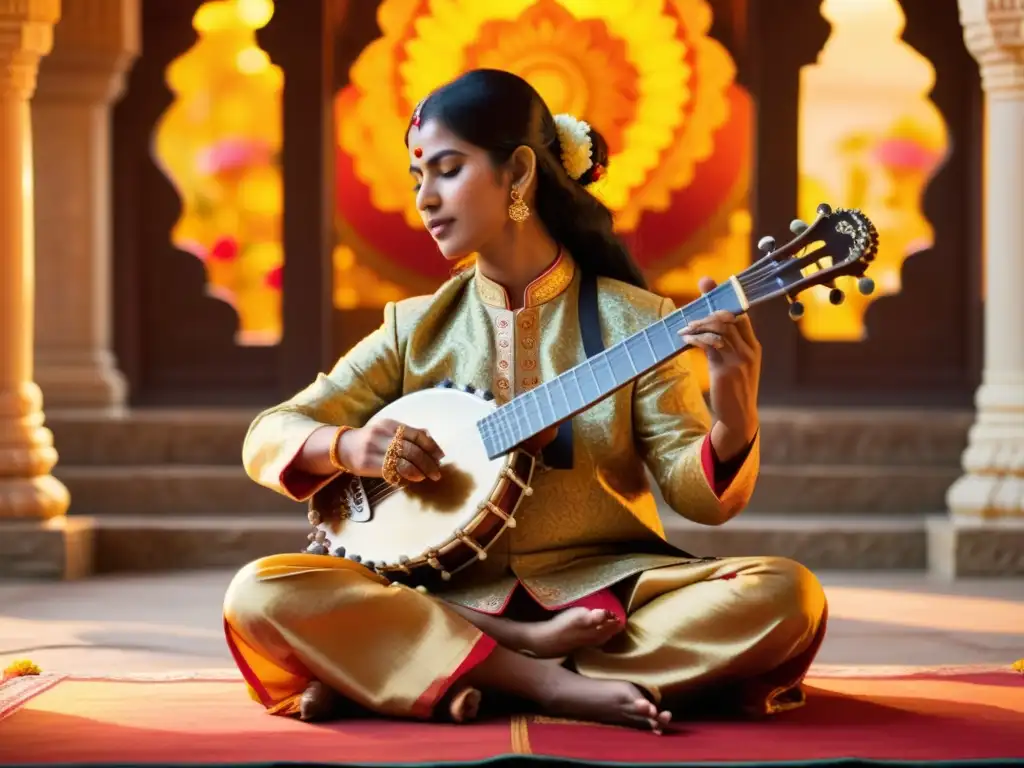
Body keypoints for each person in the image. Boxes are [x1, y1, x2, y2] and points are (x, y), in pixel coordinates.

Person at [223, 68, 828, 733]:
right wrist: (347, 445)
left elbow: (701, 501)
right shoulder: (414, 328)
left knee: (785, 595)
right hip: (442, 593)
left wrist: (735, 408)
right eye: (417, 177)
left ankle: (424, 666)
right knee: (260, 591)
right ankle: (541, 677)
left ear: (517, 173)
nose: (425, 198)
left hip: (605, 591)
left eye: (446, 170)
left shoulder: (638, 323)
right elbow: (270, 433)